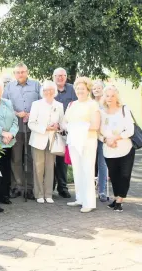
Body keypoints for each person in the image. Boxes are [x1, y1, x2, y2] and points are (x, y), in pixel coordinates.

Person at [2, 63, 41, 200]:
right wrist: (16, 113)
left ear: (27, 72)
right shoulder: (9, 87)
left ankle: (29, 188)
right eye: (18, 72)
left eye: (23, 72)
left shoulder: (36, 85)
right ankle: (17, 186)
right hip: (15, 127)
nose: (20, 74)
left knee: (30, 158)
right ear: (14, 73)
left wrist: (32, 113)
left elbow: (42, 104)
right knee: (16, 158)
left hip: (32, 128)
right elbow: (4, 106)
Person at [63, 77, 100, 213]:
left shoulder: (92, 105)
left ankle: (89, 202)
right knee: (77, 170)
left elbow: (95, 125)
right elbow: (65, 121)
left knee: (87, 170)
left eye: (82, 88)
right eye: (78, 88)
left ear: (88, 89)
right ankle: (79, 198)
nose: (80, 91)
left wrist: (78, 127)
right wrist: (68, 126)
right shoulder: (72, 104)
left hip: (88, 141)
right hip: (74, 141)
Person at [27, 80, 64, 204]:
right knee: (38, 167)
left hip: (53, 140)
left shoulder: (59, 105)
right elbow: (31, 123)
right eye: (46, 90)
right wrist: (45, 128)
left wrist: (57, 125)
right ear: (42, 91)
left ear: (55, 91)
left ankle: (48, 194)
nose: (48, 92)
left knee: (50, 167)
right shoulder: (36, 104)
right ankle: (38, 194)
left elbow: (63, 123)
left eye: (51, 90)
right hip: (38, 139)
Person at [99, 85, 135, 212]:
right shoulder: (102, 113)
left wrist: (115, 138)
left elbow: (130, 130)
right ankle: (116, 198)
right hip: (109, 150)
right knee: (114, 176)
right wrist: (106, 140)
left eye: (112, 95)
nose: (110, 98)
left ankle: (120, 201)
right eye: (107, 95)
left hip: (126, 149)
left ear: (117, 96)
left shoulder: (124, 109)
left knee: (124, 175)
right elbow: (99, 133)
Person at [52, 68, 76, 198]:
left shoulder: (73, 90)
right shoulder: (49, 88)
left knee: (62, 160)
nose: (60, 78)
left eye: (63, 75)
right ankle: (50, 187)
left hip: (66, 131)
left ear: (66, 77)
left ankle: (63, 187)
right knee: (50, 160)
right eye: (57, 75)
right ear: (53, 77)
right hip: (50, 130)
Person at [91, 80, 108, 202]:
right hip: (91, 137)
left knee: (103, 165)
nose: (96, 90)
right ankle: (90, 189)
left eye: (98, 88)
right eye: (94, 88)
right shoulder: (90, 103)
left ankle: (102, 190)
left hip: (102, 138)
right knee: (90, 163)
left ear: (103, 89)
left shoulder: (106, 104)